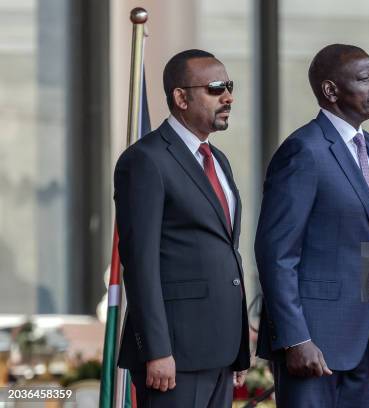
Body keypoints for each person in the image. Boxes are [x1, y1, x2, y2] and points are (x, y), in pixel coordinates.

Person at [255, 44, 369, 408]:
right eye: (367, 79)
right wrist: (295, 339)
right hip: (314, 345)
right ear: (331, 91)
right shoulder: (304, 150)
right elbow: (276, 253)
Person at [114, 49, 250, 407]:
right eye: (216, 88)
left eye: (230, 86)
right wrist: (157, 350)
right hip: (174, 357)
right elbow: (140, 263)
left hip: (220, 353)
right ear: (181, 97)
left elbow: (223, 251)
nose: (228, 97)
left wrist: (238, 348)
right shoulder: (145, 160)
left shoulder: (217, 159)